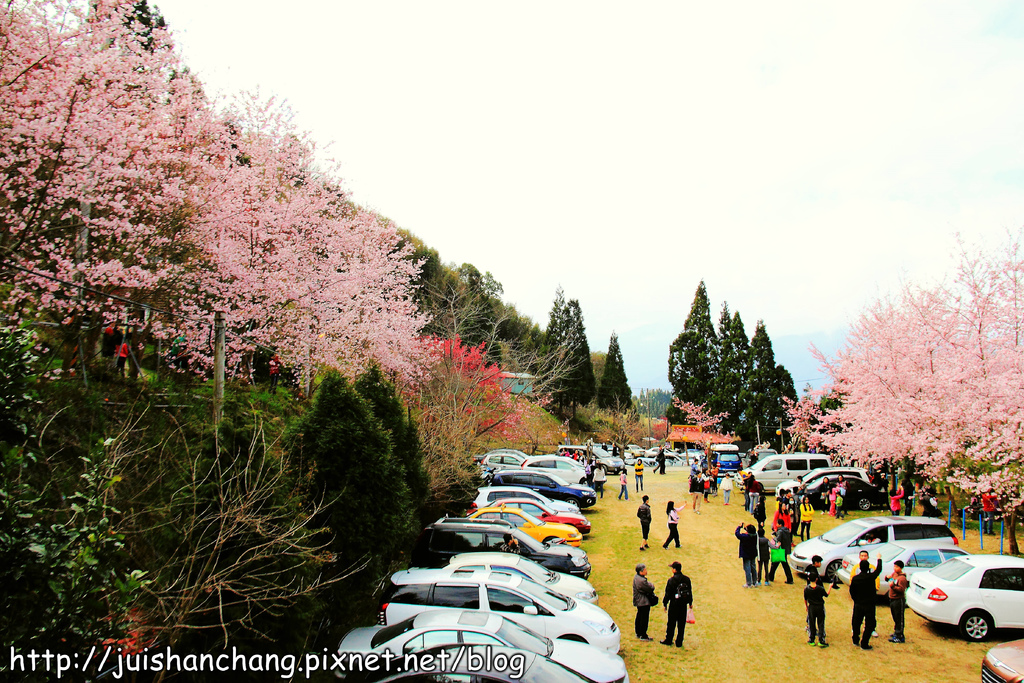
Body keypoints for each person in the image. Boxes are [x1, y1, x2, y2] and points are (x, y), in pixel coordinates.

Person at [851, 551, 883, 649]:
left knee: (856, 622)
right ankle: (864, 642)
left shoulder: (855, 579)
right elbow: (879, 569)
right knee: (870, 624)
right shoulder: (871, 577)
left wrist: (856, 600)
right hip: (869, 604)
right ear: (869, 568)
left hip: (858, 604)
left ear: (859, 568)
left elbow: (852, 591)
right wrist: (879, 558)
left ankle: (855, 639)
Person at [661, 561, 693, 647]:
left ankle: (669, 639)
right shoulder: (687, 579)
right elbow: (689, 592)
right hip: (683, 605)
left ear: (674, 570)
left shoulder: (671, 580)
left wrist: (665, 603)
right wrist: (690, 603)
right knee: (681, 624)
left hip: (674, 604)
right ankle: (679, 641)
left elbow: (668, 593)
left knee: (671, 623)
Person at [805, 575, 834, 647]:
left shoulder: (806, 589)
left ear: (808, 579)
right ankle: (821, 640)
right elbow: (826, 594)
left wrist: (806, 606)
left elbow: (805, 599)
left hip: (811, 607)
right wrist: (830, 587)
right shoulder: (820, 588)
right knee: (821, 623)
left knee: (812, 622)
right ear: (816, 579)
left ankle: (811, 639)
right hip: (820, 607)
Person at [886, 559, 909, 643]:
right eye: (894, 566)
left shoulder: (902, 578)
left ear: (900, 568)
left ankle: (900, 636)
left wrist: (893, 586)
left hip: (899, 600)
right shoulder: (894, 574)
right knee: (895, 617)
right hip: (892, 599)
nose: (894, 568)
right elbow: (890, 581)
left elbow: (901, 590)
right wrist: (887, 578)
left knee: (899, 618)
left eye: (896, 567)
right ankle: (896, 632)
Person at [632, 563, 657, 641]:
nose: (646, 571)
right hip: (643, 602)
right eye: (645, 570)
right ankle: (643, 635)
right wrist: (652, 585)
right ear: (641, 571)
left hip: (639, 601)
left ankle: (638, 632)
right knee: (644, 618)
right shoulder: (642, 581)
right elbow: (650, 588)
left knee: (639, 616)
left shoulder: (637, 578)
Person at [735, 524, 758, 588]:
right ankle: (755, 582)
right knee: (753, 568)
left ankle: (749, 583)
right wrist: (746, 528)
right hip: (753, 553)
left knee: (747, 568)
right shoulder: (755, 535)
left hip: (746, 554)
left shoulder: (745, 537)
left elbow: (737, 534)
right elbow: (751, 532)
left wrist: (739, 527)